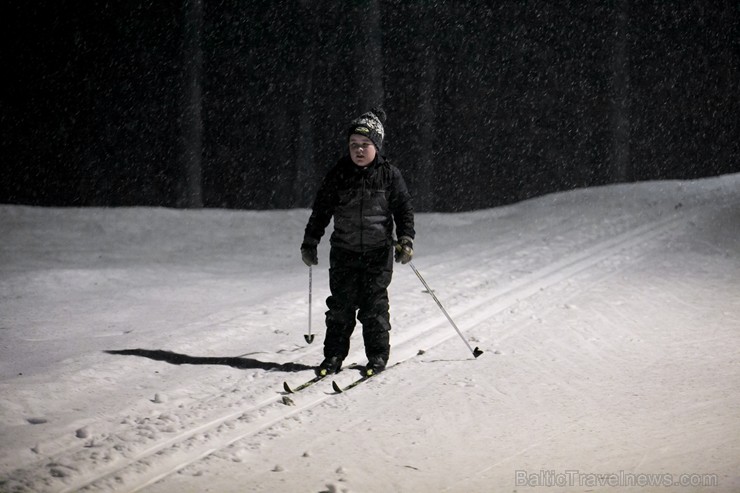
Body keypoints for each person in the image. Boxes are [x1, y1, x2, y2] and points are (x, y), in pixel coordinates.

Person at [301, 107, 415, 376]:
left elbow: (404, 209)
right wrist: (310, 241)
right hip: (344, 251)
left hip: (378, 253)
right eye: (354, 145)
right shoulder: (339, 173)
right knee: (341, 306)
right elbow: (322, 210)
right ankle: (333, 357)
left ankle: (376, 356)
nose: (359, 150)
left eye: (365, 144)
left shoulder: (389, 175)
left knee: (374, 307)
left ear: (377, 145)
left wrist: (406, 239)